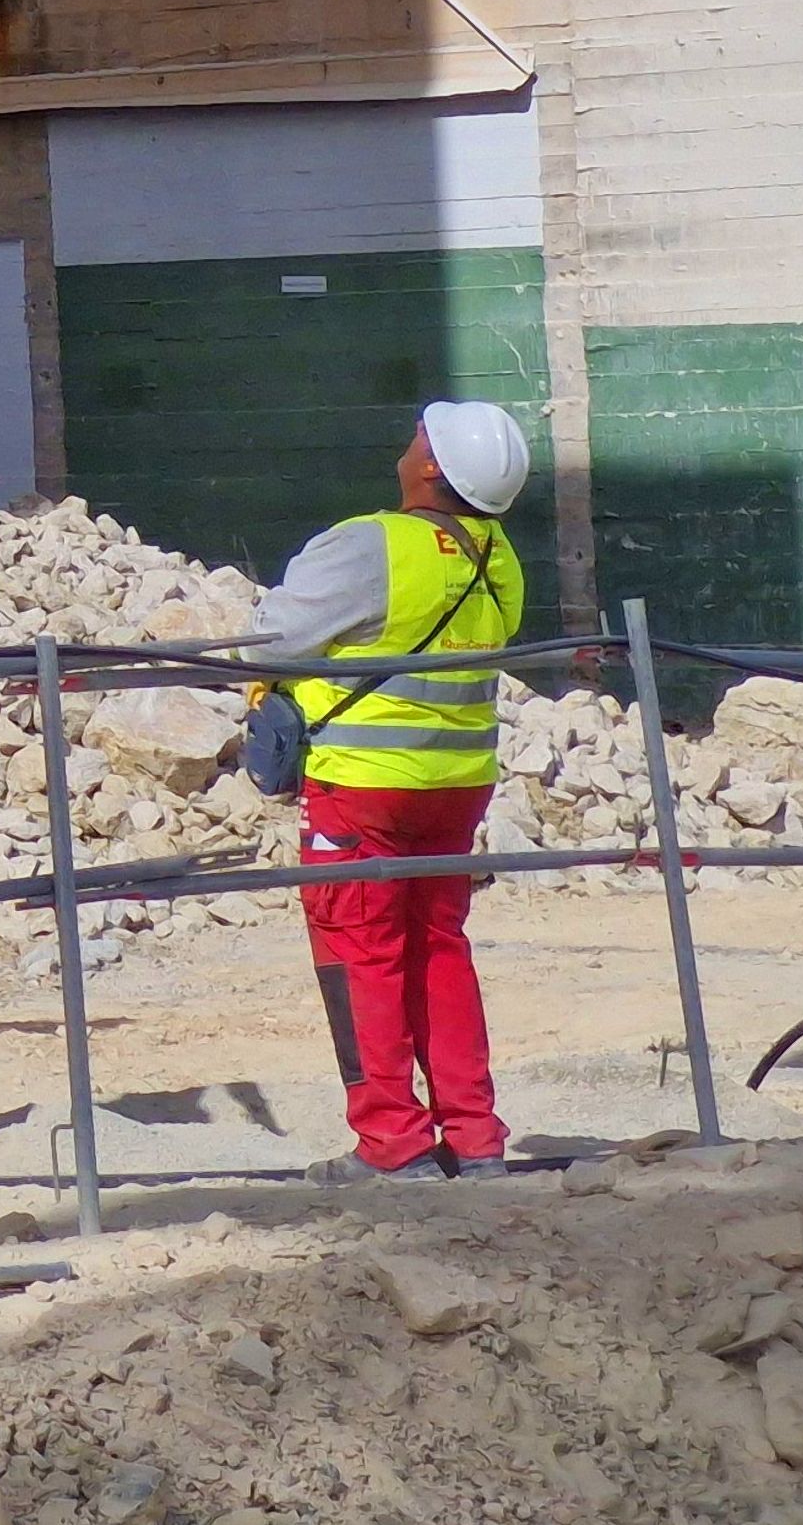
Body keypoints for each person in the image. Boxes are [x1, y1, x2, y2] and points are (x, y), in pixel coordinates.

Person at [243, 398, 532, 1182]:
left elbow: (271, 636)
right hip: (457, 784)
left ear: (433, 467)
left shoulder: (372, 544)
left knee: (360, 956)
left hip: (363, 787)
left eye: (417, 438)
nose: (406, 446)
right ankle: (474, 1138)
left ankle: (393, 1146)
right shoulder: (496, 553)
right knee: (440, 949)